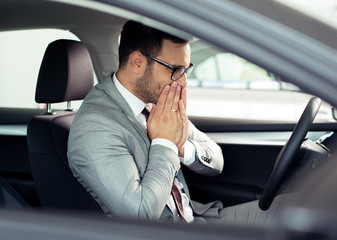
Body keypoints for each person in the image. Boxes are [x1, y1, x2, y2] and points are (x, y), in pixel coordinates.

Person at [68, 20, 284, 224]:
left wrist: (182, 147)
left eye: (186, 69)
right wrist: (165, 144)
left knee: (290, 209)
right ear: (138, 62)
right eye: (175, 70)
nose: (183, 81)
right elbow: (141, 216)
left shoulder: (156, 99)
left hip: (197, 219)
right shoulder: (95, 127)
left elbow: (216, 160)